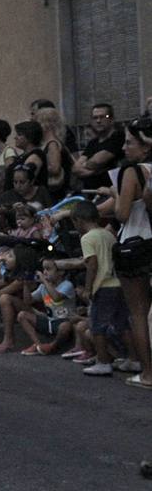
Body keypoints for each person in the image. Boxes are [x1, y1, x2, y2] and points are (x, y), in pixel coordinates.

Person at [98, 116, 152, 387]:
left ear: (144, 146)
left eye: (130, 142)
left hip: (136, 242)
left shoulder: (132, 171)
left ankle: (148, 373)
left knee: (139, 312)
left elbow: (122, 213)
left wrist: (114, 191)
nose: (124, 148)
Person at [70, 200, 131, 376]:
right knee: (122, 324)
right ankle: (133, 358)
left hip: (103, 285)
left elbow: (92, 264)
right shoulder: (108, 235)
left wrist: (88, 288)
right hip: (117, 283)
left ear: (79, 220)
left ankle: (103, 361)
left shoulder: (87, 238)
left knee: (98, 325)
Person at [73, 104, 124, 191]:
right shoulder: (93, 142)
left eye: (103, 117)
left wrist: (85, 165)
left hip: (110, 193)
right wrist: (95, 171)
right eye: (95, 118)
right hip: (90, 191)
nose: (98, 121)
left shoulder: (118, 137)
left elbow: (96, 161)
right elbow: (76, 168)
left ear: (111, 119)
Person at [35, 107, 74, 197]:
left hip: (55, 192)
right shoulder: (54, 143)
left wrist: (38, 167)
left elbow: (55, 168)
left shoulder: (52, 144)